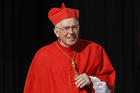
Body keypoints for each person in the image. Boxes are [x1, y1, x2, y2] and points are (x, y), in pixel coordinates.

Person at [24, 3, 116, 93]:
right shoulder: (43, 55)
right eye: (66, 28)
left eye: (74, 27)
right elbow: (32, 89)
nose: (71, 32)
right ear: (56, 32)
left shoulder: (94, 50)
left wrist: (91, 80)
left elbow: (109, 83)